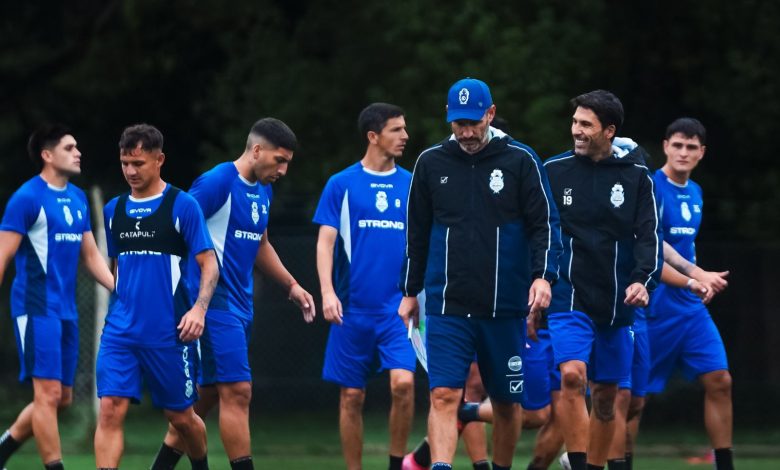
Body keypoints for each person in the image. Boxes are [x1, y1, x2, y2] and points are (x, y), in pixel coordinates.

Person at [398, 77, 562, 470]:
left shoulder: (521, 160)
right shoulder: (430, 162)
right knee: (443, 396)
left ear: (490, 113)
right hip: (447, 305)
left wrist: (543, 276)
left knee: (508, 404)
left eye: (474, 121)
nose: (467, 132)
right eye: (459, 124)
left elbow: (545, 225)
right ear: (448, 120)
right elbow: (416, 233)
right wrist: (409, 291)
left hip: (504, 307)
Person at [150, 117, 315, 470]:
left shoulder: (263, 189)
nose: (284, 170)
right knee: (238, 391)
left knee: (206, 397)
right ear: (256, 150)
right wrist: (182, 298)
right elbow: (176, 229)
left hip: (241, 303)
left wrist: (292, 285)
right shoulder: (217, 183)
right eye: (279, 160)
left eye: (288, 162)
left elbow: (261, 244)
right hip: (213, 302)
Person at [543, 90, 662, 470]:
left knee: (608, 399)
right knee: (573, 376)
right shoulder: (554, 170)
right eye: (575, 122)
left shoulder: (637, 176)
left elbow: (649, 236)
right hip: (568, 295)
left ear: (609, 131)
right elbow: (539, 233)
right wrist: (538, 281)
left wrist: (643, 280)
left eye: (586, 125)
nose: (576, 130)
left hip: (617, 303)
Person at [93, 124, 219, 470]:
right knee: (110, 409)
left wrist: (199, 309)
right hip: (120, 331)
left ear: (159, 159)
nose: (130, 171)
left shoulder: (183, 205)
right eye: (124, 163)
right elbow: (117, 268)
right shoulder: (114, 211)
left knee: (182, 418)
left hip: (170, 332)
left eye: (139, 163)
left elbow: (209, 265)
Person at [0, 124, 114, 470]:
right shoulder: (26, 198)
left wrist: (118, 287)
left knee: (61, 398)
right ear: (47, 155)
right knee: (47, 394)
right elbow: (3, 256)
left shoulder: (77, 197)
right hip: (35, 308)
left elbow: (92, 255)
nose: (78, 152)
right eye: (69, 147)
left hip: (66, 311)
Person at [314, 102, 416, 470]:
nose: (405, 136)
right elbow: (325, 242)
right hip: (352, 309)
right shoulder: (341, 184)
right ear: (373, 136)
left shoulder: (412, 184)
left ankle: (396, 465)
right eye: (396, 130)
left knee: (403, 385)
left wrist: (413, 294)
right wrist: (326, 292)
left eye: (405, 129)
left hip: (398, 309)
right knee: (351, 396)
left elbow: (423, 245)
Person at [642, 117, 734, 470]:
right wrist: (695, 277)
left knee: (720, 380)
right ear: (665, 146)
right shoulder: (651, 188)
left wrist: (698, 280)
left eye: (691, 147)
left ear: (702, 153)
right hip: (654, 303)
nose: (683, 152)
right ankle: (603, 458)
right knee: (633, 399)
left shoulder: (695, 193)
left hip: (690, 307)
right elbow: (652, 249)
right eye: (677, 145)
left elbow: (685, 246)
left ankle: (724, 464)